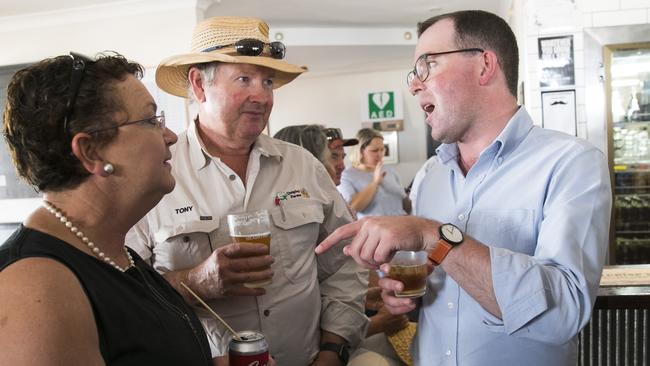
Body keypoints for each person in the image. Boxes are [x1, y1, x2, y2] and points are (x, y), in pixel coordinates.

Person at [317, 10, 612, 366]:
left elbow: (564, 312)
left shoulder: (571, 163)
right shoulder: (431, 175)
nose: (413, 85)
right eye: (414, 73)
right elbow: (442, 279)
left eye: (427, 65)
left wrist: (430, 233)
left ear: (484, 65)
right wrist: (407, 294)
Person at [127, 16, 368, 366]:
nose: (262, 96)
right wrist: (194, 281)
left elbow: (344, 264)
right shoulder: (156, 174)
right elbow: (124, 292)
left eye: (267, 81)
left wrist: (333, 349)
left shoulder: (303, 166)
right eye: (244, 78)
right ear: (199, 84)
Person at [0, 52, 212, 365]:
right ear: (91, 151)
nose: (169, 136)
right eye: (151, 121)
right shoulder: (35, 291)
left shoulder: (113, 252)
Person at [338, 128, 409, 218]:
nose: (380, 154)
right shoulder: (346, 176)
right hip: (373, 229)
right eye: (374, 151)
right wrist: (375, 183)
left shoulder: (390, 170)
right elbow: (353, 208)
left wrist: (407, 196)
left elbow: (404, 205)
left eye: (382, 149)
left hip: (399, 225)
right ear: (360, 151)